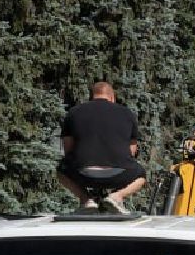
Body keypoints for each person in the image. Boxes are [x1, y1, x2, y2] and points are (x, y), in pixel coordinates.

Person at [56, 81, 146, 211]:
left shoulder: (74, 113)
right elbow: (131, 151)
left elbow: (68, 149)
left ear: (92, 96)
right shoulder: (127, 114)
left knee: (61, 171)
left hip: (83, 173)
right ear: (112, 97)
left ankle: (86, 200)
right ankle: (116, 197)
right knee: (141, 176)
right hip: (119, 173)